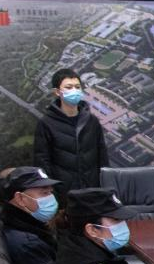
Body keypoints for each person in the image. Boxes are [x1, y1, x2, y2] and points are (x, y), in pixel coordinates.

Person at [33, 68, 108, 197]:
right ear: (57, 92)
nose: (74, 90)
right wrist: (53, 192)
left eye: (77, 87)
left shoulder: (92, 121)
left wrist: (104, 187)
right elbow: (42, 161)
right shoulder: (46, 123)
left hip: (93, 191)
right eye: (69, 87)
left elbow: (102, 155)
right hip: (64, 194)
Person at [0, 166, 60, 264]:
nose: (51, 198)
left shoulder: (22, 224)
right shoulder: (28, 244)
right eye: (44, 193)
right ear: (20, 198)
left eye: (51, 192)